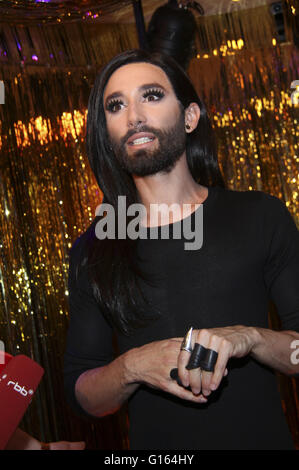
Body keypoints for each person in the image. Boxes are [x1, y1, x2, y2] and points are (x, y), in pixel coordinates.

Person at [63, 49, 299, 450]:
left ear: (190, 117)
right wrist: (131, 367)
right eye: (115, 105)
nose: (134, 115)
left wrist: (252, 339)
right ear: (106, 132)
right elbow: (82, 395)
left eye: (151, 96)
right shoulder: (94, 249)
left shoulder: (260, 215)